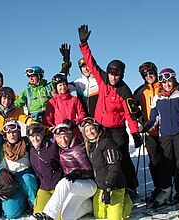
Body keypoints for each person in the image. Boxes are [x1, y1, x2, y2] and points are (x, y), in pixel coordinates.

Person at [78, 24, 142, 196]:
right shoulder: (103, 79)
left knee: (121, 158)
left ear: (122, 75)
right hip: (101, 128)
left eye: (117, 75)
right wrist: (84, 44)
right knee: (102, 158)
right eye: (112, 74)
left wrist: (135, 133)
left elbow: (130, 114)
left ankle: (130, 187)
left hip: (117, 131)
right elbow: (91, 63)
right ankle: (105, 185)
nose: (114, 77)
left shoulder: (124, 91)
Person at [141, 68, 179, 209]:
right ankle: (166, 192)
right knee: (165, 166)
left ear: (174, 81)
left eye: (169, 81)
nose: (167, 84)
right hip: (165, 136)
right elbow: (154, 119)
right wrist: (145, 127)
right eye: (164, 82)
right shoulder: (157, 99)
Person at [133, 62, 179, 204]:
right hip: (150, 132)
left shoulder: (163, 86)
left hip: (166, 131)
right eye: (145, 74)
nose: (148, 76)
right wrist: (138, 116)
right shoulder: (140, 91)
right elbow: (132, 106)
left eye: (151, 73)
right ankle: (160, 189)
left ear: (155, 72)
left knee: (172, 162)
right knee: (155, 163)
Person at [34, 123, 97, 220]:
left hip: (89, 184)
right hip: (75, 187)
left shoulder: (77, 149)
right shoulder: (60, 150)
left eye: (65, 137)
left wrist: (78, 174)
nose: (63, 140)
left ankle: (49, 214)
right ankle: (89, 206)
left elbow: (89, 170)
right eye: (59, 137)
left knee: (64, 183)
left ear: (70, 135)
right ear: (56, 138)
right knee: (66, 216)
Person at [80, 117, 132, 220]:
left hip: (114, 186)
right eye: (86, 130)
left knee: (114, 218)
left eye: (92, 129)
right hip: (100, 187)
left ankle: (127, 201)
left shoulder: (107, 143)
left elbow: (115, 167)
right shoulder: (90, 146)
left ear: (97, 128)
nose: (89, 132)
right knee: (99, 215)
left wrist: (108, 186)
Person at [0, 120, 38, 218]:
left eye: (14, 132)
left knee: (28, 179)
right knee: (11, 214)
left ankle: (33, 202)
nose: (12, 135)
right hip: (13, 181)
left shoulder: (26, 143)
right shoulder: (3, 148)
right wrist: (2, 171)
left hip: (27, 178)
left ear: (19, 133)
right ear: (5, 135)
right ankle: (22, 202)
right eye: (9, 133)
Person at [28, 124, 63, 214]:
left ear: (43, 136)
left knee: (57, 215)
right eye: (32, 136)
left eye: (38, 136)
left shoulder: (52, 147)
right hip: (44, 187)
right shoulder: (31, 150)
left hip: (57, 187)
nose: (35, 139)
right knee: (37, 214)